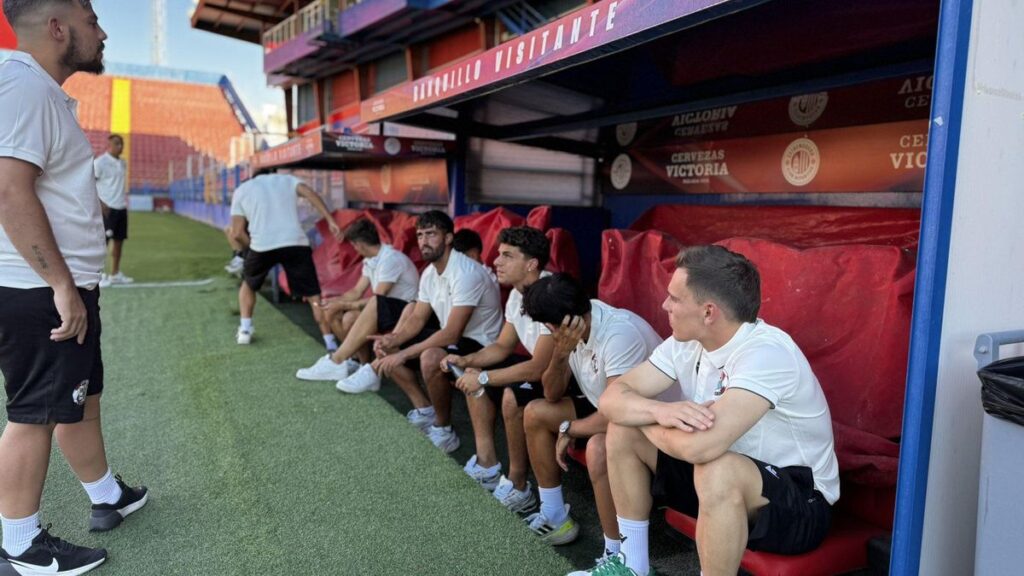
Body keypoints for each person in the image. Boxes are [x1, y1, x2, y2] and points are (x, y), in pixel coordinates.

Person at [576, 245, 839, 576]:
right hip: (722, 480)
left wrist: (644, 415)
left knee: (715, 467)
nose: (664, 305)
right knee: (622, 431)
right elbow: (611, 399)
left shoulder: (766, 353)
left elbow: (703, 447)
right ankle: (632, 566)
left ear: (708, 312)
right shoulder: (685, 343)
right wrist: (658, 411)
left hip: (799, 504)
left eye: (675, 298)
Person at [0, 1, 149, 573]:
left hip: (58, 285)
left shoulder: (39, 90)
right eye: (92, 19)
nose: (103, 30)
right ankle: (18, 545)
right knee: (34, 413)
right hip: (38, 289)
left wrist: (72, 283)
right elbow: (11, 191)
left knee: (78, 400)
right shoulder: (25, 88)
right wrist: (60, 284)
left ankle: (106, 494)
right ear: (58, 27)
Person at [520, 274, 662, 552]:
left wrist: (569, 429)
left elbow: (617, 413)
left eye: (548, 327)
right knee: (536, 412)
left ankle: (617, 553)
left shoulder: (619, 334)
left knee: (599, 448)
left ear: (556, 323)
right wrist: (560, 354)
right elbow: (551, 394)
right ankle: (555, 515)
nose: (548, 331)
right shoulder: (573, 327)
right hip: (608, 406)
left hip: (653, 419)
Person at [353, 211, 502, 453]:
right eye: (420, 235)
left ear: (448, 238)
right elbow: (418, 318)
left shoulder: (466, 273)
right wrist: (394, 339)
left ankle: (444, 430)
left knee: (430, 356)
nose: (423, 241)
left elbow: (452, 333)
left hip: (482, 343)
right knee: (387, 346)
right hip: (455, 337)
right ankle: (424, 409)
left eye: (431, 234)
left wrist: (404, 353)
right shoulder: (430, 272)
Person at [439, 226, 553, 512]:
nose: (496, 262)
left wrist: (485, 377)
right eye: (499, 254)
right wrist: (467, 362)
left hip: (564, 378)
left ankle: (519, 485)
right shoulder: (517, 294)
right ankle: (488, 463)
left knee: (511, 395)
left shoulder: (550, 292)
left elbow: (540, 366)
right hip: (541, 369)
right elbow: (502, 346)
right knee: (470, 373)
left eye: (507, 256)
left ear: (532, 264)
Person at [295, 218, 419, 383]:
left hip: (405, 314)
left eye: (353, 245)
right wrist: (333, 301)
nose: (354, 248)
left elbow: (379, 300)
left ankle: (338, 361)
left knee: (350, 316)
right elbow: (357, 291)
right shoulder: (371, 260)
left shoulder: (391, 259)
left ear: (359, 244)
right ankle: (360, 366)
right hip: (387, 311)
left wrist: (345, 304)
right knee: (336, 311)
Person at [229, 172, 342, 348]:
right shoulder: (286, 179)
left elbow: (236, 233)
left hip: (262, 246)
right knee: (313, 295)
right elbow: (309, 193)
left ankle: (245, 330)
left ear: (253, 176)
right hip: (295, 243)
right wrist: (330, 220)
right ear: (271, 174)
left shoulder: (242, 189)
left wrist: (250, 250)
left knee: (248, 285)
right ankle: (330, 343)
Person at [93, 134, 131, 287]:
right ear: (109, 146)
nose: (120, 146)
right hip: (107, 208)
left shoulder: (123, 163)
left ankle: (115, 274)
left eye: (121, 143)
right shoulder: (100, 163)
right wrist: (100, 203)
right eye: (117, 144)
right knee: (102, 243)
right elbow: (89, 184)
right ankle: (98, 276)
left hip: (121, 208)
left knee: (119, 242)